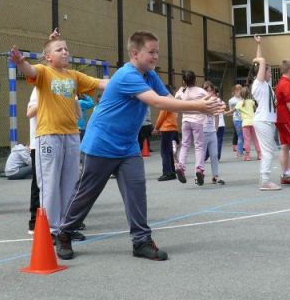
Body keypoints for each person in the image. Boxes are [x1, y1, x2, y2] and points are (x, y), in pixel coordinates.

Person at [55, 31, 223, 261]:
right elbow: (155, 101)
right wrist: (200, 107)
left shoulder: (149, 75)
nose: (156, 57)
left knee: (136, 193)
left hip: (127, 147)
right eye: (151, 52)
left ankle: (141, 241)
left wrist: (204, 104)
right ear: (135, 53)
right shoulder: (127, 75)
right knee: (86, 194)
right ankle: (64, 233)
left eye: (157, 52)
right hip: (101, 144)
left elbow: (172, 101)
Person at [10, 29, 107, 236]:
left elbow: (100, 83)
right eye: (59, 49)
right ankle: (51, 230)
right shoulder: (44, 73)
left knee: (70, 184)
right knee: (50, 185)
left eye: (66, 49)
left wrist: (127, 79)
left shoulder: (74, 76)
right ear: (48, 57)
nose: (65, 52)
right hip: (49, 136)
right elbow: (30, 71)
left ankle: (66, 228)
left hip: (71, 135)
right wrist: (20, 62)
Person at [249, 36, 283, 191]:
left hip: (266, 120)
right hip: (263, 121)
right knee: (268, 152)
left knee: (267, 151)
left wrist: (259, 44)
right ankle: (265, 180)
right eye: (268, 70)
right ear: (262, 72)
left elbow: (260, 63)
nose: (270, 72)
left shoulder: (266, 85)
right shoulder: (258, 83)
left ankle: (264, 178)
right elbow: (260, 63)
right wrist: (258, 58)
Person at [174, 70, 208, 185]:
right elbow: (210, 99)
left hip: (185, 121)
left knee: (185, 145)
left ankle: (181, 166)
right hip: (197, 121)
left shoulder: (181, 91)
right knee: (199, 146)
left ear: (184, 81)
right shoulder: (200, 91)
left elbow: (175, 99)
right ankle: (199, 169)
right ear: (195, 80)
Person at [201, 81, 225, 185]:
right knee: (201, 156)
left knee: (214, 154)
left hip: (211, 131)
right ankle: (199, 174)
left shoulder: (215, 100)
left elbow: (218, 113)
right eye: (207, 90)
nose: (209, 92)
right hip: (202, 131)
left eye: (211, 90)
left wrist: (215, 129)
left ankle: (215, 175)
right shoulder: (200, 101)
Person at [153, 85, 178, 181]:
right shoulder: (172, 100)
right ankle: (172, 171)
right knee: (169, 151)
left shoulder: (165, 101)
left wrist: (156, 128)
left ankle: (167, 172)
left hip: (166, 128)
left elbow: (161, 116)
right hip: (172, 128)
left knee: (164, 151)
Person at [26, 87, 40, 234]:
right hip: (39, 143)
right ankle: (34, 221)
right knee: (38, 182)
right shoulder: (39, 89)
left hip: (58, 141)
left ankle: (62, 220)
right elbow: (30, 113)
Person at [234, 86, 260, 162]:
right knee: (256, 139)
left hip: (245, 123)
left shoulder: (239, 103)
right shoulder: (251, 102)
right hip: (253, 122)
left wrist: (226, 113)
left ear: (241, 95)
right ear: (248, 93)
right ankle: (259, 154)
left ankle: (247, 155)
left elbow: (233, 111)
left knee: (247, 140)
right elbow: (255, 109)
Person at [226, 84, 244, 158]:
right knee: (240, 136)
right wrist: (229, 115)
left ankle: (240, 150)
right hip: (236, 119)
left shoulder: (243, 99)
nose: (239, 92)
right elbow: (231, 110)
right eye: (237, 90)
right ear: (234, 91)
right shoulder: (231, 100)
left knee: (242, 136)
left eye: (240, 90)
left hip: (244, 119)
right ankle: (239, 151)